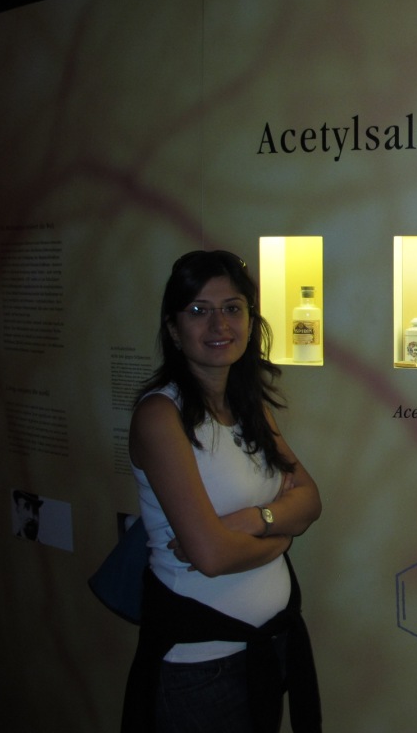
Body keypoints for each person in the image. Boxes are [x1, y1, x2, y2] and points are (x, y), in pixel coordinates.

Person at [121, 250, 323, 733]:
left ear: (250, 322)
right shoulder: (160, 416)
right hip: (201, 665)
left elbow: (310, 499)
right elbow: (210, 556)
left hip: (265, 649)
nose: (219, 324)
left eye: (232, 308)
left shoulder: (248, 406)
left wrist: (252, 521)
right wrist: (280, 537)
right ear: (174, 330)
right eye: (199, 310)